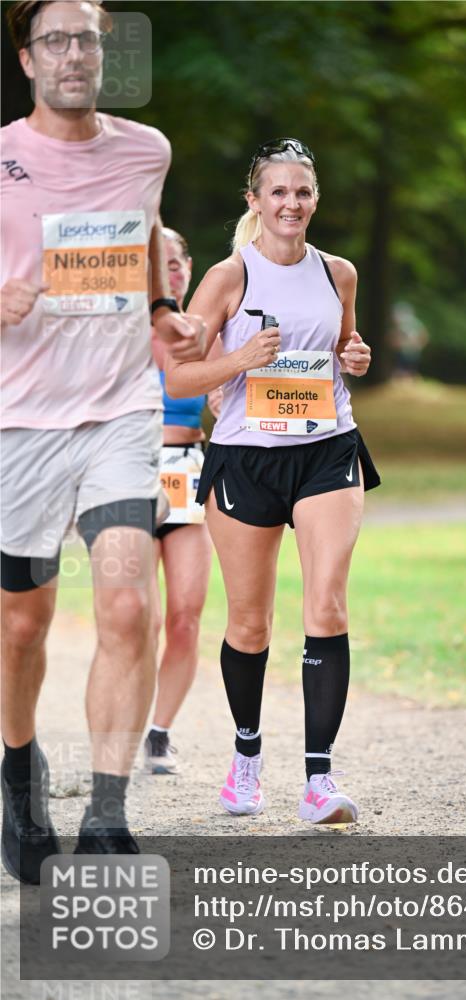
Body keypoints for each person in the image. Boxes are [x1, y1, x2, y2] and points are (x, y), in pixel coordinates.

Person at [0, 0, 206, 883]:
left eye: (87, 38)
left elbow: (147, 231)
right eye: (56, 40)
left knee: (127, 604)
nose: (74, 54)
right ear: (27, 59)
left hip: (121, 411)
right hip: (18, 421)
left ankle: (109, 819)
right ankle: (19, 772)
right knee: (20, 624)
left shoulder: (145, 149)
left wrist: (163, 309)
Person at [165, 137, 380, 824]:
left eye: (303, 192)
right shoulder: (230, 277)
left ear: (314, 200)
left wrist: (356, 354)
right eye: (278, 192)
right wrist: (240, 361)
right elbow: (178, 376)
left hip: (326, 449)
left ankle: (319, 780)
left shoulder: (338, 272)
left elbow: (346, 351)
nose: (292, 203)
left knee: (328, 607)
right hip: (245, 460)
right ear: (255, 201)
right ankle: (247, 758)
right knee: (250, 622)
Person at [145, 226, 222, 775]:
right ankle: (119, 721)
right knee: (138, 618)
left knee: (186, 614)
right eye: (161, 262)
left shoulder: (203, 333)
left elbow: (228, 394)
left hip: (189, 473)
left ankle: (159, 733)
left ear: (191, 269)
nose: (171, 270)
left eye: (178, 262)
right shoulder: (127, 331)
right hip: (130, 473)